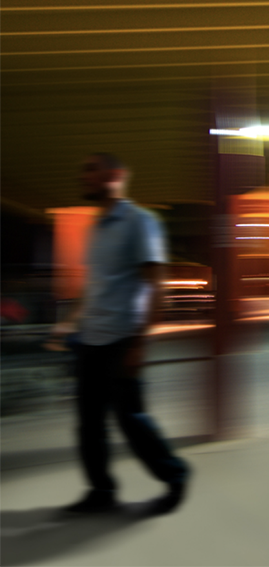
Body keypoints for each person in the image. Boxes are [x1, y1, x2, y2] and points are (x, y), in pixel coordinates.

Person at [47, 153, 190, 515]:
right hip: (90, 340)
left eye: (90, 169)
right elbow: (94, 287)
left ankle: (174, 477)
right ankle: (100, 491)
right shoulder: (95, 227)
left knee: (131, 420)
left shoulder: (140, 222)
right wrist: (69, 322)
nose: (84, 177)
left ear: (115, 175)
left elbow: (156, 284)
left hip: (122, 338)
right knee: (89, 423)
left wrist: (141, 343)